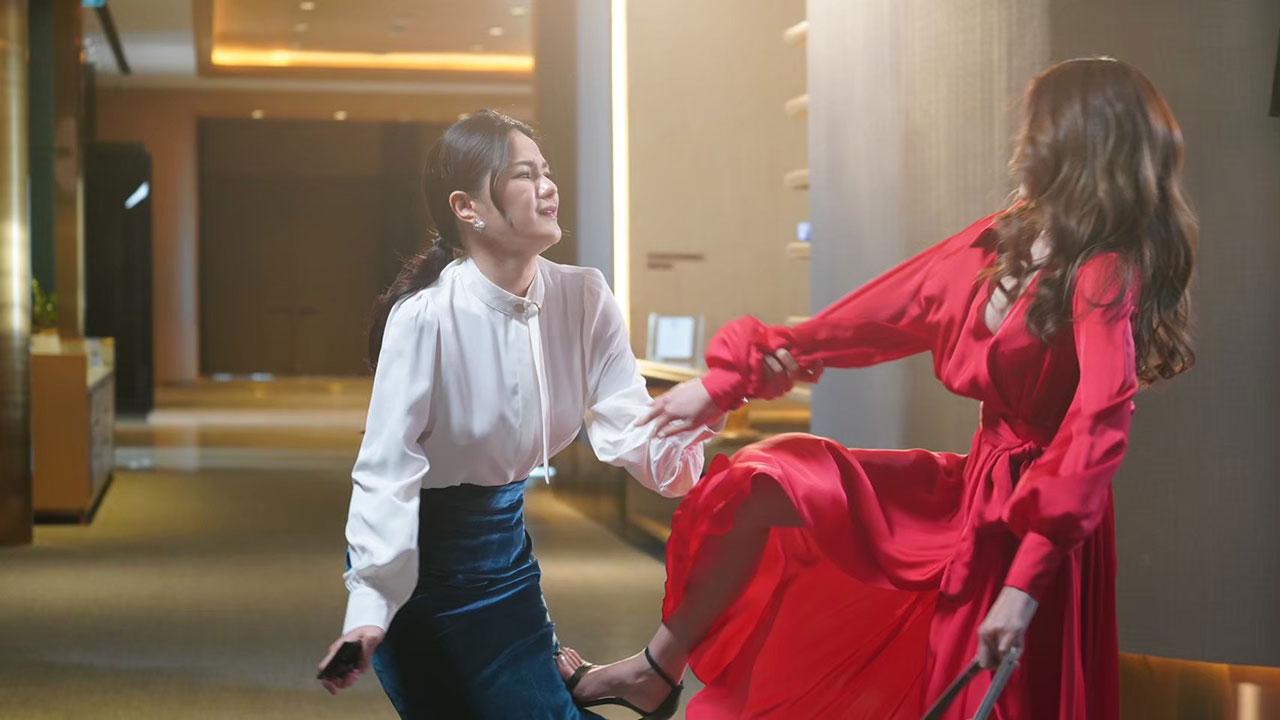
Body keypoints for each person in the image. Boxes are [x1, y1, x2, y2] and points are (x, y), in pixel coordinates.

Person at [560, 58, 1197, 719]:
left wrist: (1024, 584)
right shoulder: (1009, 236)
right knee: (762, 482)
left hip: (1035, 523)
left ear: (1078, 143)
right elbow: (885, 313)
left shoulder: (1105, 271)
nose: (1023, 143)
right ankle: (654, 669)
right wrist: (727, 383)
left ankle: (654, 673)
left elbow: (1097, 429)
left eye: (1040, 126)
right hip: (973, 491)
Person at [315, 109, 719, 719]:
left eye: (545, 171)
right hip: (417, 577)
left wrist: (709, 402)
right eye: (524, 175)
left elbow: (645, 448)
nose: (547, 187)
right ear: (466, 207)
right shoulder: (424, 317)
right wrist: (370, 611)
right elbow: (385, 472)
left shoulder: (584, 297)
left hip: (506, 562)